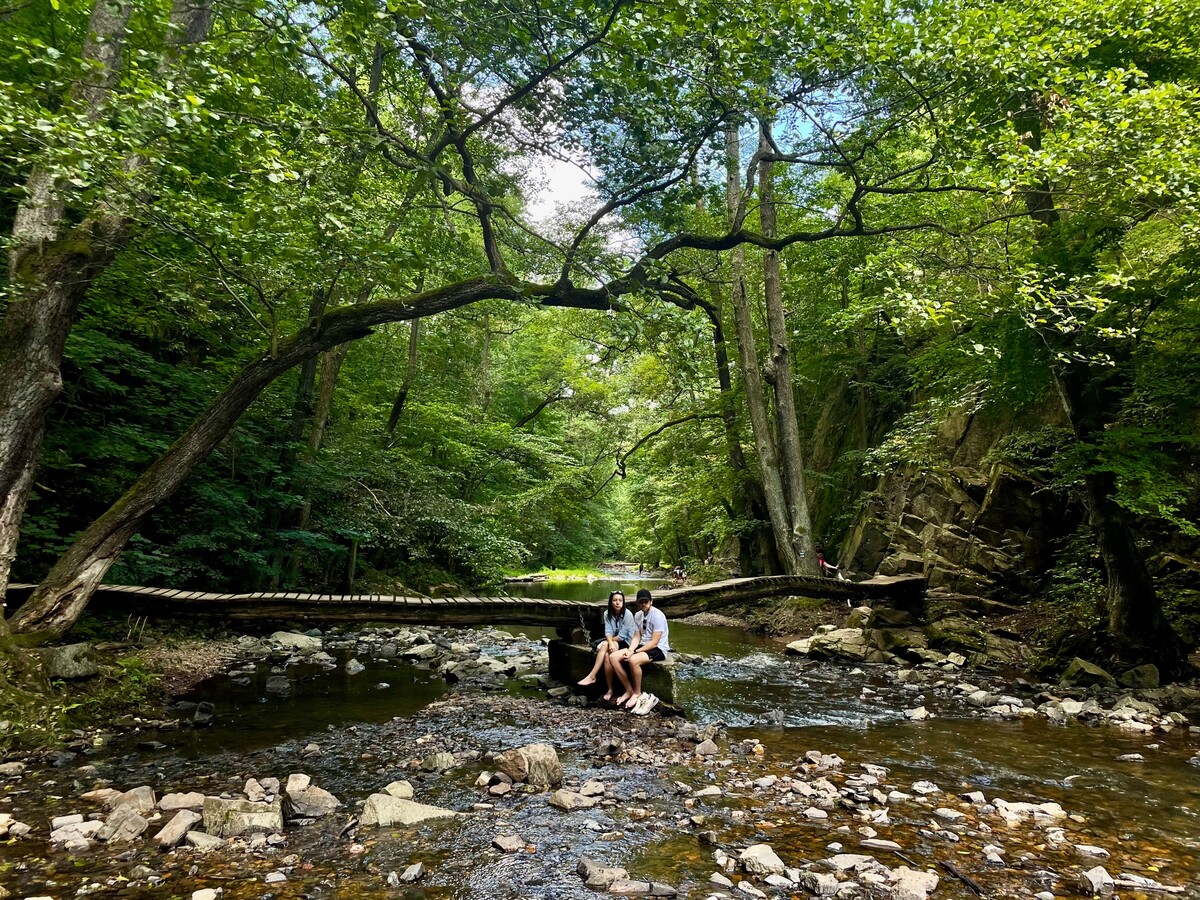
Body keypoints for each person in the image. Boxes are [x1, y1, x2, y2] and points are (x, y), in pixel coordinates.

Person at [611, 588, 669, 714]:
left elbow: (654, 642)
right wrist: (631, 649)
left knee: (633, 660)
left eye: (646, 601)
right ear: (637, 603)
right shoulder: (638, 615)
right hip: (643, 645)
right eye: (641, 602)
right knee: (613, 657)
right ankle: (628, 690)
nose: (643, 604)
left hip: (658, 648)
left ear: (651, 602)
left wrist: (635, 653)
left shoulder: (657, 615)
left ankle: (637, 693)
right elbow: (637, 636)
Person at [577, 590, 635, 701]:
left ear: (623, 602)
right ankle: (609, 690)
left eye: (620, 600)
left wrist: (610, 642)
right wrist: (610, 642)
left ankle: (592, 676)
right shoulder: (607, 613)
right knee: (607, 655)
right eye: (615, 600)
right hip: (614, 641)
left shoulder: (627, 614)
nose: (617, 603)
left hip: (627, 642)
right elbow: (608, 631)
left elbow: (622, 636)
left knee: (604, 645)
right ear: (611, 602)